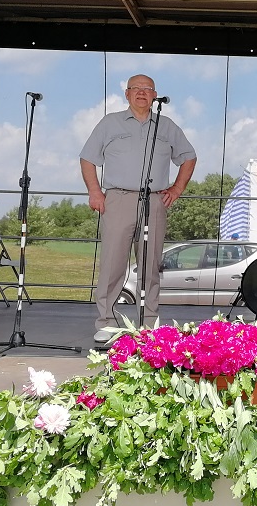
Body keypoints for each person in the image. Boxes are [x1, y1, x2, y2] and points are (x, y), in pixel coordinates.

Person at [80, 75, 196, 343]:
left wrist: (177, 188)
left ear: (155, 95)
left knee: (150, 264)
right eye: (136, 89)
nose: (142, 93)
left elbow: (189, 157)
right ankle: (107, 322)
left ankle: (149, 322)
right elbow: (87, 158)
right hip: (118, 199)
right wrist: (95, 191)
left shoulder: (166, 125)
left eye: (147, 89)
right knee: (113, 263)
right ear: (127, 94)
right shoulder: (110, 123)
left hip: (154, 200)